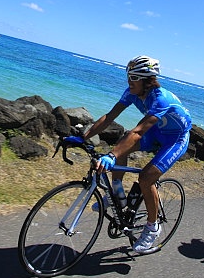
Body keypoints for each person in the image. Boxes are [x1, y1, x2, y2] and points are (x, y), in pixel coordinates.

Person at [81, 55, 192, 253]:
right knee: (122, 144)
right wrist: (84, 137)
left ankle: (152, 226)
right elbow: (109, 117)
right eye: (128, 77)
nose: (128, 81)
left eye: (133, 78)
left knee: (146, 178)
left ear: (146, 80)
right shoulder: (132, 93)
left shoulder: (160, 99)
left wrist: (111, 156)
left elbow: (139, 131)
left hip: (175, 139)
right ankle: (117, 193)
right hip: (158, 131)